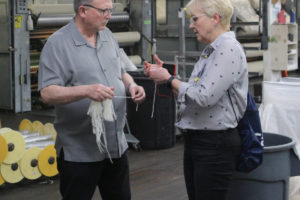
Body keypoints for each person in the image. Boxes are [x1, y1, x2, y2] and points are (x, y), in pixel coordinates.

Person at [38, 0, 145, 199]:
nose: (109, 15)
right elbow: (47, 93)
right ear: (83, 11)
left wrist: (131, 85)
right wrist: (86, 91)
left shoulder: (108, 35)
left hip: (115, 146)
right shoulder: (58, 44)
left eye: (111, 10)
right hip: (79, 151)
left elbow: (120, 71)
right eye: (104, 10)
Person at [144, 0, 248, 199]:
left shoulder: (227, 50)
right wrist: (166, 77)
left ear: (215, 18)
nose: (191, 25)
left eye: (195, 19)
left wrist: (169, 79)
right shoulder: (211, 51)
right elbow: (196, 92)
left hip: (215, 145)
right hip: (200, 141)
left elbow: (203, 96)